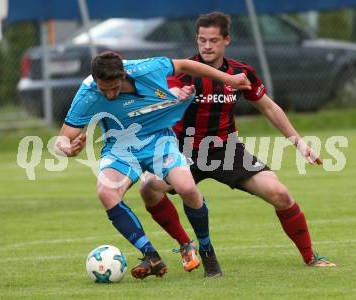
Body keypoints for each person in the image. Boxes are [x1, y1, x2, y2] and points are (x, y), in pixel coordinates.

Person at [140, 11, 336, 277]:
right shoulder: (184, 71)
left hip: (226, 150)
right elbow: (165, 98)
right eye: (202, 40)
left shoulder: (241, 73)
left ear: (226, 41)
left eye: (213, 40)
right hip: (183, 151)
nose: (207, 46)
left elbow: (268, 107)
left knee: (281, 194)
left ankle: (310, 257)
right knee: (149, 189)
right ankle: (186, 245)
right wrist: (176, 97)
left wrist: (299, 143)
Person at [55, 51, 251, 279]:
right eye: (103, 89)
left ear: (124, 76)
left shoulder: (148, 68)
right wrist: (67, 149)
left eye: (114, 88)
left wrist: (228, 79)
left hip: (159, 140)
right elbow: (62, 138)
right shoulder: (88, 93)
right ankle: (151, 255)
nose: (109, 94)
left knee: (187, 188)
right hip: (120, 147)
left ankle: (207, 250)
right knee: (106, 192)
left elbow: (187, 65)